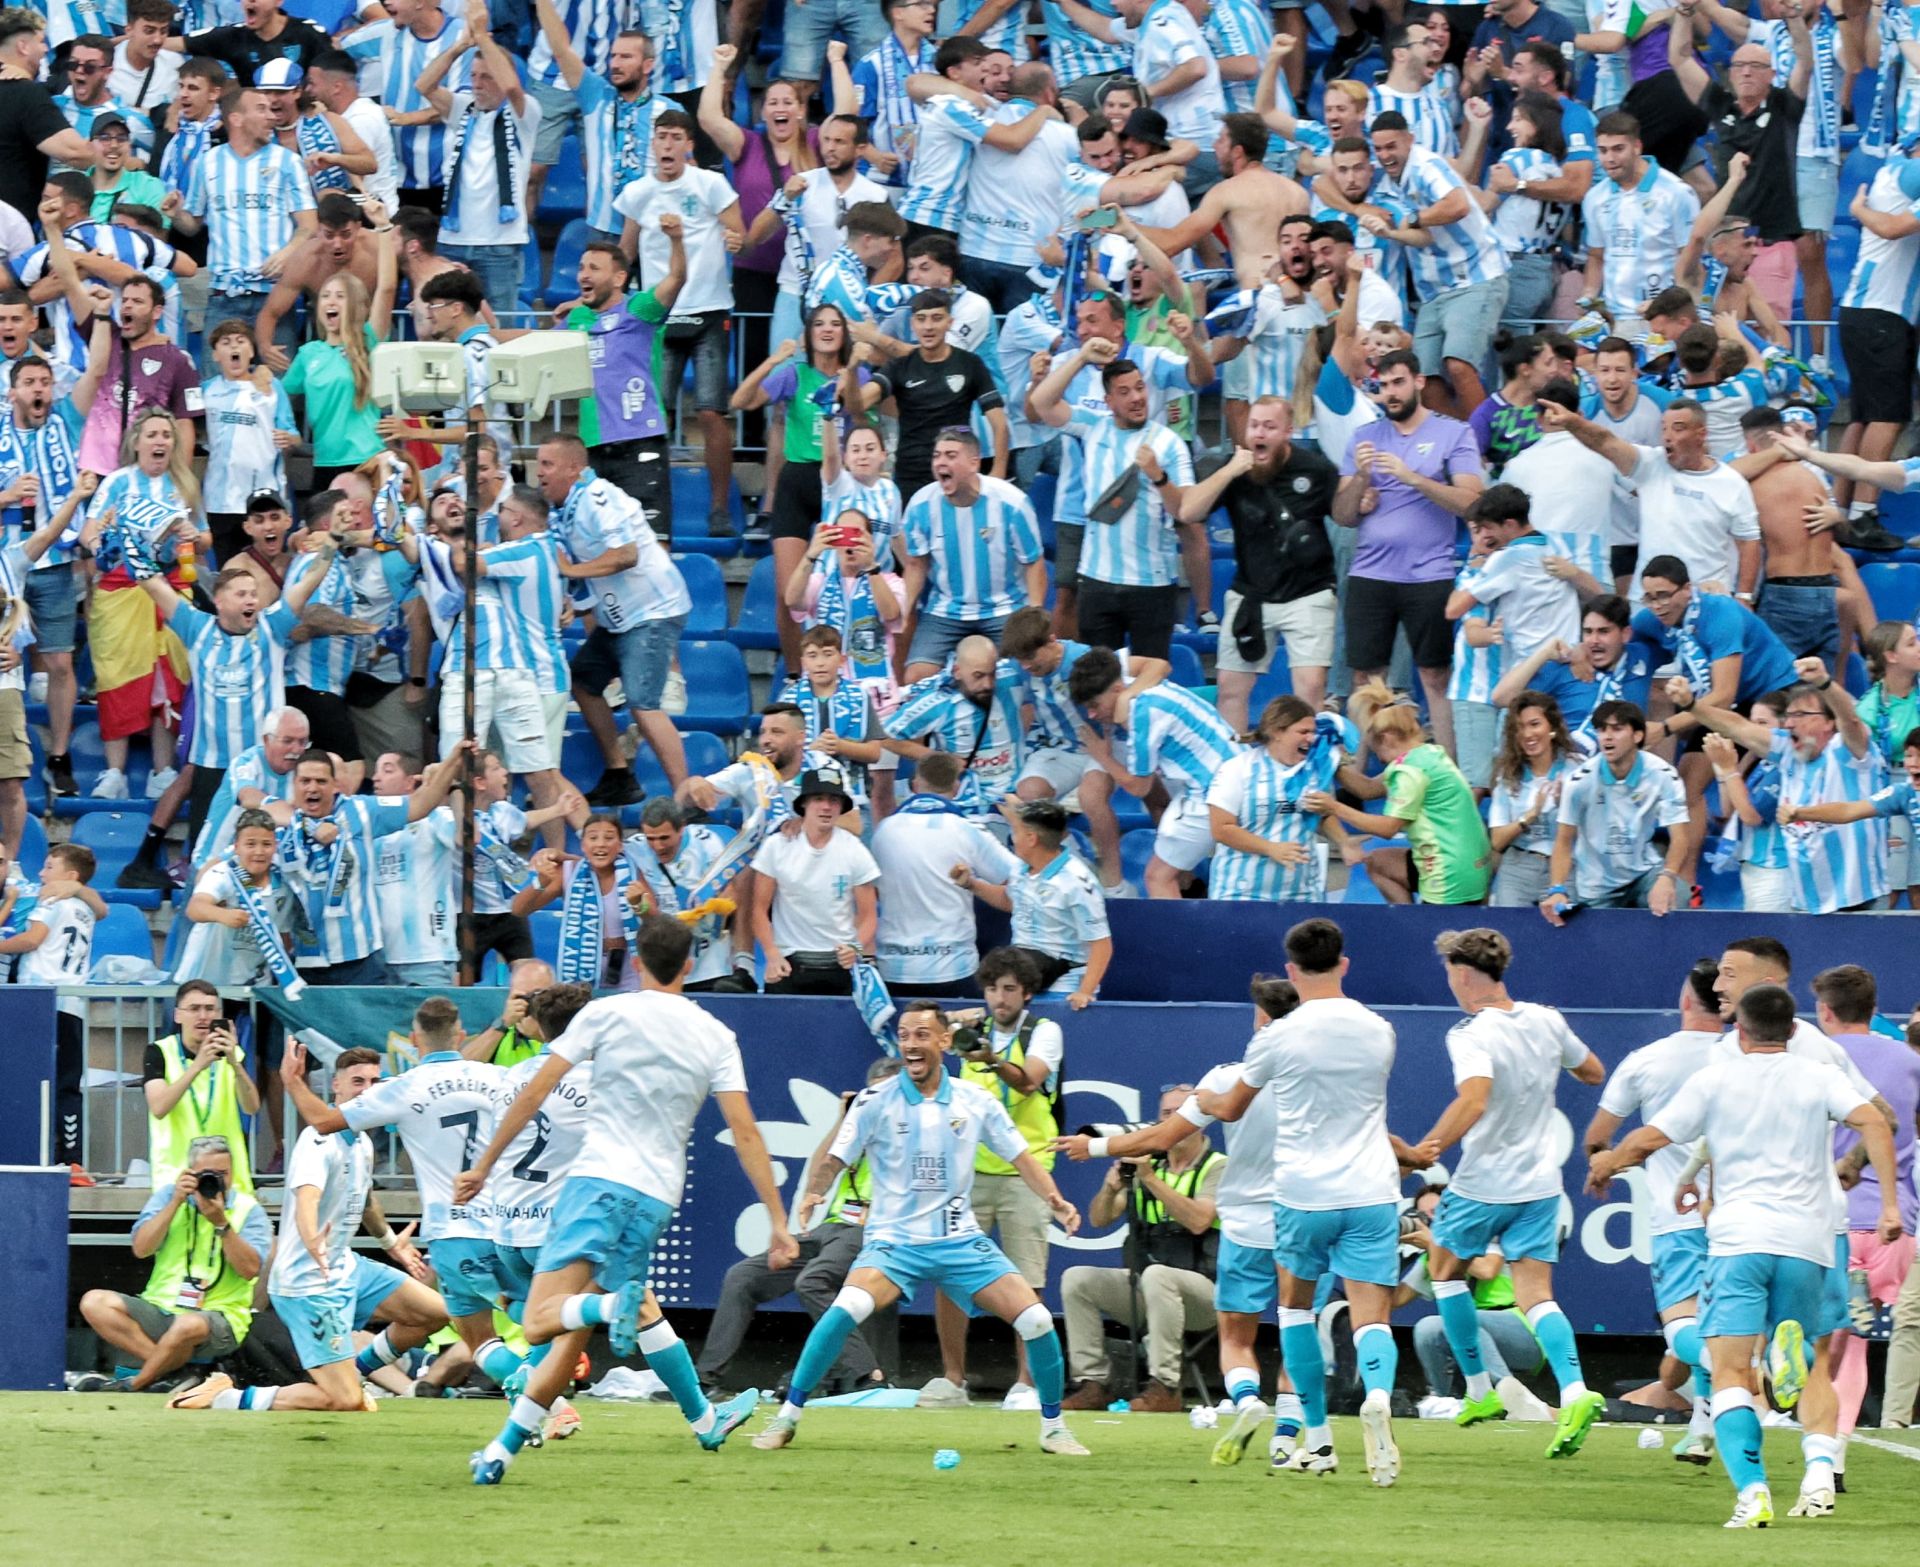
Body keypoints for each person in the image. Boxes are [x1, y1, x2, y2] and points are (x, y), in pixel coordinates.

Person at [456, 916, 796, 1484]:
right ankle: (501, 1450)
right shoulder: (716, 1034)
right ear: (691, 965)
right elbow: (745, 1130)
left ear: (636, 961)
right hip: (656, 1200)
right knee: (572, 1336)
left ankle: (611, 1311)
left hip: (597, 1183)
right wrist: (779, 1222)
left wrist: (484, 1164)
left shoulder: (606, 1012)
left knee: (542, 1322)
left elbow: (537, 1088)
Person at [1589, 982, 1900, 1530]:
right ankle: (1814, 1454)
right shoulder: (1818, 1074)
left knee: (1731, 1370)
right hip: (1807, 1242)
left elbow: (1648, 1139)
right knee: (1811, 1363)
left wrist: (1607, 1163)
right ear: (1793, 1028)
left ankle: (1753, 1491)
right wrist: (1890, 1203)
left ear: (1740, 1028)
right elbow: (1877, 1120)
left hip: (1738, 1242)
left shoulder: (1715, 1078)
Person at [751, 999, 1088, 1456]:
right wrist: (814, 1192)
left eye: (922, 1035)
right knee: (842, 1311)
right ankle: (787, 1418)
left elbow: (1022, 1158)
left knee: (1037, 1320)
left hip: (959, 1240)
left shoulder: (976, 1101)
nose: (911, 1044)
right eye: (905, 1035)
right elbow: (834, 1158)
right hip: (894, 1244)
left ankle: (1053, 1428)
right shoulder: (875, 1100)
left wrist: (1056, 1200)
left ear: (945, 1042)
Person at [1196, 917, 1419, 1486]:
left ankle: (1317, 1438)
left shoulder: (1277, 1036)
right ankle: (1375, 1396)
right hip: (1371, 1190)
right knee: (1373, 1314)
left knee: (1295, 1310)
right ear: (1344, 964)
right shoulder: (1380, 1029)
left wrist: (1203, 1096)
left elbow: (1231, 1109)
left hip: (1302, 1196)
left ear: (1291, 971)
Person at [1414, 928, 1608, 1452]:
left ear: (1462, 974)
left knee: (1444, 1271)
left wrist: (1425, 1150)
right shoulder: (1546, 1019)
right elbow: (1592, 1072)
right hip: (1540, 1183)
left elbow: (1474, 1100)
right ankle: (1574, 1390)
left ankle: (1480, 1389)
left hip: (1483, 1181)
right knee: (1537, 1295)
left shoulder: (1470, 1033)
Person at [171, 1047, 393, 1414]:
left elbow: (365, 1201)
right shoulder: (318, 1140)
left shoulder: (364, 1143)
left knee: (431, 1311)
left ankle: (354, 1374)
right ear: (335, 1086)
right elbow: (306, 1201)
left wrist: (391, 1243)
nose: (367, 1090)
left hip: (341, 1268)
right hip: (308, 1281)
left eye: (374, 1081)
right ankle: (227, 1397)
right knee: (346, 1402)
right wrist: (312, 1241)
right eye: (358, 1081)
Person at [1583, 957, 1726, 1461]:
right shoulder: (1745, 1056)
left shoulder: (1648, 1060)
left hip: (1678, 1217)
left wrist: (1603, 1167)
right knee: (1720, 1321)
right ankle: (1703, 1432)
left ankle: (1741, 1365)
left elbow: (1598, 1138)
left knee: (1683, 1326)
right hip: (1740, 1217)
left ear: (1686, 1000)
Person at [698, 1059, 903, 1398]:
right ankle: (705, 1382)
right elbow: (817, 1175)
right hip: (832, 1227)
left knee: (813, 1280)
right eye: (873, 1094)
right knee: (742, 1276)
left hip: (873, 1230)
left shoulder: (910, 1132)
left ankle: (870, 1375)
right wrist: (844, 1119)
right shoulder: (859, 1128)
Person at [921, 949, 1068, 1410]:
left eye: (1009, 989)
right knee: (949, 1274)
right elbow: (921, 1036)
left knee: (1027, 1278)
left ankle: (1025, 1383)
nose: (999, 998)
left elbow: (1028, 1082)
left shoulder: (1044, 1031)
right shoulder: (969, 1029)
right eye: (991, 989)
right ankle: (952, 1380)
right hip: (968, 1172)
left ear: (1027, 993)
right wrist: (947, 1024)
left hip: (1027, 1169)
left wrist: (987, 1057)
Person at [1333, 349, 1487, 757]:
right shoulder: (1364, 437)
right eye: (1383, 387)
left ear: (1419, 381)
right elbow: (1343, 515)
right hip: (1371, 574)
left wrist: (1413, 478)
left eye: (1398, 382)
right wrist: (1361, 479)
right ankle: (1354, 775)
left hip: (1429, 574)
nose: (1391, 394)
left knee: (1435, 675)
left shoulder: (1454, 433)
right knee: (1365, 678)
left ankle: (1450, 774)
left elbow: (1472, 502)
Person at [1808, 964, 1920, 1469]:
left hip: (1824, 1218)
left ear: (1825, 1011)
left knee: (1824, 1342)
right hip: (1892, 1224)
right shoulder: (1908, 1059)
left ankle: (1785, 1379)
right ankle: (1837, 1453)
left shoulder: (1810, 1056)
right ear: (1874, 1010)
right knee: (1855, 1349)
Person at [1028, 339, 1201, 661]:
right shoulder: (1093, 427)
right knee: (1100, 681)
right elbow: (1041, 402)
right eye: (1124, 392)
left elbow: (1186, 511)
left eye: (1140, 388)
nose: (1136, 397)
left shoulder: (1170, 444)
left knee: (1150, 680)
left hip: (1153, 585)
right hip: (1097, 582)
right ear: (1108, 401)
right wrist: (1081, 357)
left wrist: (1159, 478)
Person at [1057, 1080, 1223, 1415]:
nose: (1172, 1120)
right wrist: (1109, 1187)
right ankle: (1093, 1383)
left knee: (1158, 1276)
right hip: (1150, 1290)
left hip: (1207, 1294)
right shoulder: (1149, 1164)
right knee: (1077, 1279)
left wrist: (1150, 1179)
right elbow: (1100, 1219)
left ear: (1200, 1119)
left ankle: (1166, 1386)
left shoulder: (1217, 1166)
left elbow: (1199, 1221)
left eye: (1180, 1113)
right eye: (1165, 1114)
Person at [613, 111, 745, 527]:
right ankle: (649, 506)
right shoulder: (637, 192)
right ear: (652, 144)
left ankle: (720, 506)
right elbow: (626, 251)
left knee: (710, 411)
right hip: (661, 314)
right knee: (656, 416)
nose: (667, 145)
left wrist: (734, 239)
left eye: (675, 137)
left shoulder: (709, 184)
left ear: (689, 144)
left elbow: (735, 230)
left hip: (707, 308)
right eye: (661, 137)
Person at [540, 432, 690, 796]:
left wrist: (571, 572)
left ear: (574, 468)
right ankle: (618, 773)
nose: (539, 472)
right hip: (621, 619)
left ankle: (687, 794)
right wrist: (571, 605)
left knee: (642, 702)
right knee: (583, 682)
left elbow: (626, 554)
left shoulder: (598, 497)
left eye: (547, 464)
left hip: (652, 611)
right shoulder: (567, 509)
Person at [1177, 398, 1338, 723]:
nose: (1259, 433)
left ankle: (1307, 766)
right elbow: (1188, 511)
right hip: (1251, 593)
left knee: (1310, 689)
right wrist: (1230, 471)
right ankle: (1231, 764)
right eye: (1254, 425)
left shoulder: (1316, 469)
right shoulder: (1234, 470)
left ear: (1288, 432)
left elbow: (1346, 518)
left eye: (1269, 426)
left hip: (1308, 592)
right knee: (1229, 688)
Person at [1688, 657, 1891, 914]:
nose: (1791, 723)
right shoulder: (1788, 750)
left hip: (1860, 897)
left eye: (1802, 715)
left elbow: (1849, 719)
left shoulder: (1849, 752)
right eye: (1789, 715)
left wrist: (1824, 682)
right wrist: (1691, 704)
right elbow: (1737, 727)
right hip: (1808, 900)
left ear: (1829, 722)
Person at [74, 1135, 271, 1393]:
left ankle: (135, 1383)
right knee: (93, 1302)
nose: (216, 1181)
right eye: (207, 1174)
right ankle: (177, 1373)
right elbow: (141, 1248)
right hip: (161, 1309)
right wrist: (176, 1202)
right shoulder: (169, 1196)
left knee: (187, 1324)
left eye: (223, 1173)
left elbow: (250, 1270)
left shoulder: (248, 1209)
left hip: (219, 1318)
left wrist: (221, 1224)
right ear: (190, 1173)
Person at [998, 608, 1161, 895]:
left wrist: (1124, 698)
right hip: (1060, 748)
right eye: (1020, 660)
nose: (1025, 667)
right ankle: (1074, 864)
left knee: (1091, 796)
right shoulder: (1020, 669)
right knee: (1028, 797)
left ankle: (1114, 885)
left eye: (1031, 658)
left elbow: (1156, 666)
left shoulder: (1084, 659)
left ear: (1051, 641)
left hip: (1103, 744)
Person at [1536, 398, 1760, 603]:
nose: (1668, 436)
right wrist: (1573, 422)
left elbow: (1749, 541)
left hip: (1704, 600)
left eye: (1678, 428)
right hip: (1646, 602)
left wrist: (1744, 596)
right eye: (1664, 428)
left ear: (1701, 434)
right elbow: (1605, 442)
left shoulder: (1731, 483)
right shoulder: (1651, 465)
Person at [276, 745, 468, 983]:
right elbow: (254, 812)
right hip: (307, 960)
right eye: (305, 781)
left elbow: (420, 804)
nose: (312, 788)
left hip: (361, 960)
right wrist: (311, 827)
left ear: (335, 785)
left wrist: (454, 759)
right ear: (294, 785)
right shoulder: (281, 826)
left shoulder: (361, 810)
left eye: (321, 781)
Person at [1069, 644, 1240, 898]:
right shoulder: (1143, 687)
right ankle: (1191, 890)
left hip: (1214, 790)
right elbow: (1158, 664)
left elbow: (1140, 787)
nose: (1092, 714)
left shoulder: (1141, 716)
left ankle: (1179, 936)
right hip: (1235, 772)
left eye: (1095, 705)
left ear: (1117, 690)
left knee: (1157, 877)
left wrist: (1102, 756)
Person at [1304, 684, 1493, 906]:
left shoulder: (1409, 771)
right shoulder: (1428, 753)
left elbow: (1387, 829)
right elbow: (1369, 789)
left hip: (1449, 875)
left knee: (1440, 940)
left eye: (1375, 747)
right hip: (1473, 866)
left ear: (1387, 738)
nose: (1377, 756)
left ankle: (1415, 925)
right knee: (1378, 862)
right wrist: (1334, 762)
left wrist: (1334, 807)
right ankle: (1409, 918)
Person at [168, 84, 318, 360]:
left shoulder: (288, 162)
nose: (271, 116)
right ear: (236, 119)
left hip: (274, 297)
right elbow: (193, 225)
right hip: (223, 296)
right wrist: (177, 213)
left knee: (278, 387)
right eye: (261, 109)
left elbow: (309, 226)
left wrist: (287, 253)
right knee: (216, 389)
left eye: (271, 110)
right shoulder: (208, 163)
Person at [559, 220, 685, 535]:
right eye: (581, 267)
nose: (583, 275)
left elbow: (676, 278)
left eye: (593, 268)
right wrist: (478, 326)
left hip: (639, 442)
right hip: (593, 449)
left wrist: (677, 240)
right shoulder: (577, 318)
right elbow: (534, 342)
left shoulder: (639, 309)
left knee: (652, 541)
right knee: (601, 543)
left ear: (619, 278)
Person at [417, 3, 540, 307]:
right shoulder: (463, 109)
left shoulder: (525, 111)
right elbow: (424, 85)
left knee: (498, 327)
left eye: (486, 76)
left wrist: (483, 37)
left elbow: (512, 86)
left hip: (498, 244)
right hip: (453, 240)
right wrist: (460, 46)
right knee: (447, 326)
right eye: (473, 75)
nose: (476, 83)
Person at [868, 749, 1016, 996]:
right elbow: (1023, 883)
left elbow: (873, 893)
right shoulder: (967, 830)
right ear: (956, 787)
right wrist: (974, 885)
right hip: (953, 967)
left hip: (893, 968)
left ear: (914, 785)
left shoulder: (883, 832)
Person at [896, 436, 1044, 680]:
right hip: (946, 610)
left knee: (1016, 678)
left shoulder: (1013, 503)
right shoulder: (920, 505)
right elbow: (916, 564)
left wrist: (1035, 615)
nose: (940, 462)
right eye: (937, 455)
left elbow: (1034, 562)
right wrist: (905, 611)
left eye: (951, 455)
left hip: (1005, 607)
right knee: (916, 678)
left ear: (974, 463)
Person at [1539, 699, 1691, 922]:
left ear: (1638, 736)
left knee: (1678, 892)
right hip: (1596, 884)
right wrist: (1557, 889)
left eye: (1617, 729)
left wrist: (1667, 877)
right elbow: (1563, 841)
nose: (1606, 737)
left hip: (1643, 873)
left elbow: (1680, 837)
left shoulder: (1663, 775)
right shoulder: (1579, 781)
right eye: (1601, 730)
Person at [849, 292, 1008, 502]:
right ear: (912, 323)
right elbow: (857, 406)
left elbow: (1000, 424)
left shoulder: (970, 364)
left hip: (956, 472)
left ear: (950, 323)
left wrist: (998, 472)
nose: (928, 327)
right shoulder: (899, 367)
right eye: (921, 319)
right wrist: (852, 369)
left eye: (937, 318)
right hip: (910, 475)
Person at [0, 842, 98, 1169]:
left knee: (33, 1079)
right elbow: (102, 909)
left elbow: (32, 940)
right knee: (68, 1083)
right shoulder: (84, 908)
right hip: (73, 1003)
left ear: (69, 876)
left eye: (49, 866)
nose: (42, 873)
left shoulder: (52, 900)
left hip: (40, 1000)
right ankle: (73, 1160)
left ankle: (33, 1154)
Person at [956, 800, 1111, 1007]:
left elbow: (1101, 944)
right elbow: (1010, 901)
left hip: (1064, 989)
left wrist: (1084, 992)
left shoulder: (1077, 882)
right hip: (1022, 980)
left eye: (1016, 831)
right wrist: (971, 884)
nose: (1013, 837)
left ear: (1031, 839)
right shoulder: (1020, 869)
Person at [529, 1, 660, 242]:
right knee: (533, 171)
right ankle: (522, 240)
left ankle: (599, 245)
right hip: (552, 74)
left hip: (604, 78)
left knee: (600, 170)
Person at [1207, 695, 1353, 903]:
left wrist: (1343, 841)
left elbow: (1321, 815)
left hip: (1303, 893)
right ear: (1277, 732)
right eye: (1303, 732)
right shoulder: (1237, 770)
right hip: (1242, 894)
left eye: (1313, 732)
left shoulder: (1314, 771)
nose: (1311, 739)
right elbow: (1221, 828)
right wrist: (1271, 848)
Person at [750, 763, 880, 996]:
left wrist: (855, 947)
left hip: (841, 962)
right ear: (804, 804)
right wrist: (771, 954)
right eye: (818, 798)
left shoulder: (854, 850)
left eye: (834, 800)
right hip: (789, 959)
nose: (826, 807)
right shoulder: (776, 847)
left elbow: (869, 915)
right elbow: (758, 910)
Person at [1579, 110, 1700, 334]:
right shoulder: (1594, 198)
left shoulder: (1676, 193)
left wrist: (1673, 308)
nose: (1610, 159)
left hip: (1664, 319)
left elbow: (1691, 262)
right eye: (1603, 151)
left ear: (1637, 147)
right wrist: (1589, 295)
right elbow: (1596, 256)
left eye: (1618, 149)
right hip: (1615, 321)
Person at [144, 979, 262, 1194]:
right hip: (176, 1178)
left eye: (210, 1009)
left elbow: (251, 1107)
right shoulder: (159, 1052)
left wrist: (234, 1063)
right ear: (178, 1015)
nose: (203, 1016)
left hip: (228, 1179)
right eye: (194, 1009)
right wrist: (198, 1066)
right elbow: (159, 1107)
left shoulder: (232, 1055)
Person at [625, 797, 750, 993]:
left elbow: (732, 894)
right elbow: (648, 909)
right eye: (651, 838)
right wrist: (642, 907)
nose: (657, 846)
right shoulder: (635, 849)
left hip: (711, 965)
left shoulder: (709, 844)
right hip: (664, 966)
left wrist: (712, 911)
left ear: (681, 828)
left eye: (664, 838)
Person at [0, 10, 98, 223]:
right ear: (23, 46)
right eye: (42, 41)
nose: (46, 49)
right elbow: (77, 153)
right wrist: (126, 161)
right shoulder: (26, 93)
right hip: (9, 228)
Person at [1486, 690, 1578, 907]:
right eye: (1520, 728)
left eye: (1534, 724)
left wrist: (1565, 805)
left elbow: (1593, 830)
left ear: (1552, 727)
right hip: (1520, 864)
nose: (1527, 734)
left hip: (1567, 864)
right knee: (1509, 931)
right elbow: (1497, 841)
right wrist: (1530, 816)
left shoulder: (1577, 769)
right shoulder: (1508, 775)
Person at [461, 956, 556, 1065]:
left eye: (537, 995)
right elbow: (464, 1068)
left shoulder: (568, 1027)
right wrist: (502, 1024)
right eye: (522, 996)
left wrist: (541, 1035)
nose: (530, 1002)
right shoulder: (500, 1030)